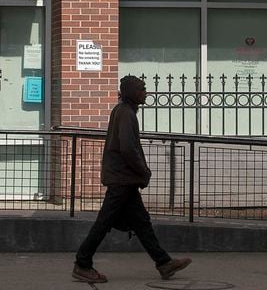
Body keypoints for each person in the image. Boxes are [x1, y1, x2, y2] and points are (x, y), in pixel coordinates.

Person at [73, 75, 192, 283]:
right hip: (122, 179)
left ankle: (164, 263)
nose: (145, 92)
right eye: (142, 89)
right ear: (131, 92)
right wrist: (144, 171)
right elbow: (128, 149)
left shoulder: (123, 111)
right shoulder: (126, 114)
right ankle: (82, 264)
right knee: (104, 222)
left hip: (123, 179)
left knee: (142, 223)